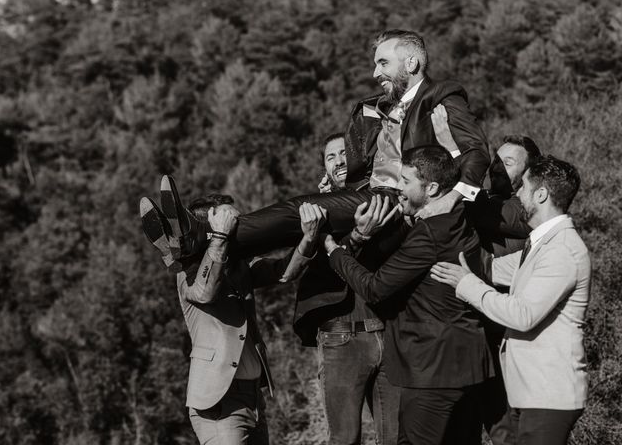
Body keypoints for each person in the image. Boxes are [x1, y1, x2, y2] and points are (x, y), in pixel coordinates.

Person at [169, 29, 490, 259]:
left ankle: (198, 233)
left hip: (404, 201)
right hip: (369, 196)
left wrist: (450, 200)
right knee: (300, 229)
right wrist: (340, 179)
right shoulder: (374, 109)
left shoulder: (441, 96)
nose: (375, 72)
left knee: (300, 209)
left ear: (411, 64)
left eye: (383, 63)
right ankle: (200, 249)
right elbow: (364, 161)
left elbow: (477, 151)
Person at [324, 145, 494, 445]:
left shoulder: (429, 232)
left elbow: (375, 289)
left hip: (433, 371)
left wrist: (336, 252)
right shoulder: (458, 217)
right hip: (469, 366)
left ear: (431, 188)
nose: (397, 188)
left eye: (405, 181)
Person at [140, 185, 326, 445]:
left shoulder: (240, 266)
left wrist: (308, 239)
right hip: (219, 402)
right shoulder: (187, 274)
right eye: (231, 222)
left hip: (253, 398)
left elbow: (283, 272)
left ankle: (177, 233)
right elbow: (205, 294)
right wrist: (219, 238)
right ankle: (174, 237)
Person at [430, 156, 589, 445]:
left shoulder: (561, 250)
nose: (517, 194)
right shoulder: (542, 244)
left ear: (541, 195)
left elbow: (523, 315)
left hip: (549, 393)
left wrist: (466, 284)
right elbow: (491, 268)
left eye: (524, 188)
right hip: (533, 391)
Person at [293, 133, 401, 445]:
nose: (340, 161)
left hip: (390, 332)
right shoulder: (312, 216)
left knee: (395, 438)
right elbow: (313, 271)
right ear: (323, 172)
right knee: (344, 439)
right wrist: (349, 235)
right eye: (331, 157)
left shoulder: (385, 201)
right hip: (341, 338)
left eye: (345, 153)